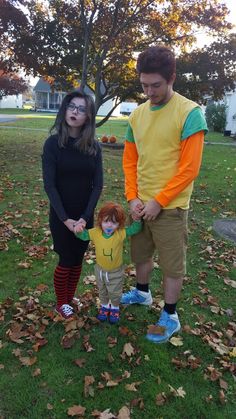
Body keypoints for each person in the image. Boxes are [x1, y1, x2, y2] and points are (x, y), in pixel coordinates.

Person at [121, 45, 208, 343]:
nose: (149, 91)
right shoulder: (137, 116)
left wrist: (159, 201)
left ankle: (170, 314)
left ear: (171, 77)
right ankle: (142, 293)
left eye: (155, 85)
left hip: (170, 207)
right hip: (140, 205)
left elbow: (189, 169)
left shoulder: (190, 113)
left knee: (172, 265)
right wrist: (133, 197)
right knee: (141, 255)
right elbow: (130, 161)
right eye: (144, 85)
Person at [42, 90, 103, 319]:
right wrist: (66, 219)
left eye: (81, 109)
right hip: (61, 214)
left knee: (77, 259)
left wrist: (85, 217)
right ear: (65, 109)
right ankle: (61, 302)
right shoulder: (52, 145)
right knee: (66, 259)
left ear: (88, 116)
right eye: (71, 107)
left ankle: (69, 297)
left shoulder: (94, 147)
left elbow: (97, 186)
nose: (75, 112)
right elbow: (50, 186)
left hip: (84, 214)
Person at [74, 202, 142, 323]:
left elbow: (134, 229)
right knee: (102, 290)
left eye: (114, 222)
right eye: (106, 221)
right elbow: (84, 236)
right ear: (100, 220)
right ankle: (105, 307)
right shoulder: (95, 232)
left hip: (115, 270)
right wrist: (78, 231)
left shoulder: (120, 233)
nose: (109, 225)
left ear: (119, 224)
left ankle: (114, 308)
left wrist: (137, 221)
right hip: (100, 270)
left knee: (115, 292)